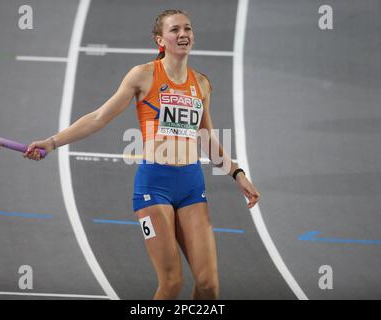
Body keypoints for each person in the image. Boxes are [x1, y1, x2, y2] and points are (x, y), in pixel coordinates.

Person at [23, 9, 260, 300]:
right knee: (171, 283)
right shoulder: (143, 75)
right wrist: (51, 142)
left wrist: (237, 173)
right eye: (175, 30)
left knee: (208, 284)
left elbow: (206, 137)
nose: (183, 34)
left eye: (188, 29)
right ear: (160, 40)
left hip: (191, 185)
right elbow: (99, 117)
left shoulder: (201, 84)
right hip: (154, 186)